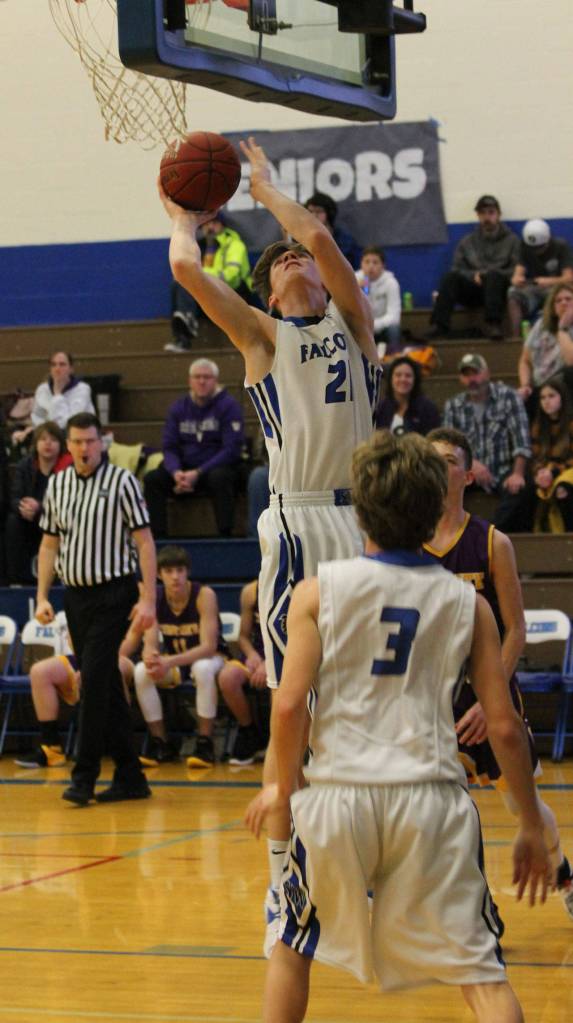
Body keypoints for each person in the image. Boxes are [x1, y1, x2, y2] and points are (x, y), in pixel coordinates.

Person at [159, 134, 382, 955]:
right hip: (295, 528)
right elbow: (186, 269)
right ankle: (285, 873)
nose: (293, 257)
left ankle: (360, 856)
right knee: (297, 705)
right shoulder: (260, 338)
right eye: (279, 258)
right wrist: (182, 213)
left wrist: (264, 187)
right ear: (268, 289)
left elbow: (317, 236)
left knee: (361, 706)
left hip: (362, 529)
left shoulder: (354, 326)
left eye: (300, 256)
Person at [245, 431, 552, 1023]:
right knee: (482, 975)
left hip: (339, 796)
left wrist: (282, 787)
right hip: (432, 799)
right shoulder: (468, 604)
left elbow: (288, 707)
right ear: (435, 506)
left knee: (291, 945)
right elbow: (505, 727)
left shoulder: (317, 593)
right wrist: (532, 822)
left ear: (360, 509)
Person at [425, 426, 573, 920]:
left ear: (467, 476)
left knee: (520, 804)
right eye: (430, 458)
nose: (437, 466)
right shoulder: (404, 541)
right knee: (441, 807)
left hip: (490, 692)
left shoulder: (492, 542)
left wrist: (492, 702)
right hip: (434, 695)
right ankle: (468, 904)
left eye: (448, 460)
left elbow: (516, 630)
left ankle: (562, 872)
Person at [35, 412, 156, 806]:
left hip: (114, 594)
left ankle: (83, 777)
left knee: (91, 680)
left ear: (101, 442)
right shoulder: (58, 484)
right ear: (68, 445)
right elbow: (49, 544)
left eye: (90, 441)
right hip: (75, 596)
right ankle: (131, 776)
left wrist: (148, 599)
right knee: (106, 685)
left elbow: (145, 542)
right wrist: (42, 596)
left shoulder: (122, 481)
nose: (84, 448)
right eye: (77, 441)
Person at [132, 544, 228, 769]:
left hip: (214, 658)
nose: (175, 577)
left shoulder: (204, 595)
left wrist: (168, 661)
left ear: (187, 572)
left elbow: (208, 647)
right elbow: (150, 642)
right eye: (169, 571)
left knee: (202, 668)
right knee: (141, 671)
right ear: (159, 574)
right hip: (177, 660)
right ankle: (161, 743)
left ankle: (204, 744)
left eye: (180, 570)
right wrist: (151, 658)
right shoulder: (154, 598)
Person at [143, 357, 245, 539]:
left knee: (221, 477)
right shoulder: (178, 408)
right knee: (153, 479)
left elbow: (231, 449)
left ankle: (225, 535)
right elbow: (169, 447)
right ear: (189, 381)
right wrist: (176, 472)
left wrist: (199, 472)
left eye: (207, 377)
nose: (202, 381)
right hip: (184, 469)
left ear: (216, 380)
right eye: (197, 377)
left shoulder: (229, 406)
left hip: (215, 468)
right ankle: (158, 538)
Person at [14, 623, 137, 770]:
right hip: (86, 656)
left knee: (113, 668)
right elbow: (73, 637)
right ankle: (52, 748)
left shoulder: (134, 609)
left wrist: (92, 665)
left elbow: (130, 642)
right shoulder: (83, 609)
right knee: (39, 671)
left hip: (119, 656)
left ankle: (124, 746)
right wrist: (87, 663)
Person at [443, 353, 531, 532]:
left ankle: (490, 532)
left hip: (503, 470)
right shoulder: (453, 405)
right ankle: (453, 533)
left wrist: (517, 474)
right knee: (441, 488)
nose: (472, 380)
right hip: (467, 471)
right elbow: (448, 447)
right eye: (466, 375)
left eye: (475, 373)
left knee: (523, 490)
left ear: (487, 373)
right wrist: (472, 464)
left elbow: (522, 439)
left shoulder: (509, 397)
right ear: (461, 379)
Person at [427, 195, 520, 340]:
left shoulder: (512, 240)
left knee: (493, 276)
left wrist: (488, 275)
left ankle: (494, 325)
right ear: (478, 215)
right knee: (450, 278)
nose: (487, 217)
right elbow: (456, 268)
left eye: (491, 212)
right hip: (474, 290)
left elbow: (516, 270)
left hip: (499, 291)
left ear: (499, 214)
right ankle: (440, 325)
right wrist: (472, 276)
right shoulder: (467, 242)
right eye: (482, 213)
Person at [5, 422, 72, 584]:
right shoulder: (25, 465)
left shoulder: (69, 467)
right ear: (35, 444)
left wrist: (39, 507)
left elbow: (69, 502)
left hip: (56, 518)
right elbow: (14, 497)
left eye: (53, 440)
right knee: (13, 521)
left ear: (61, 445)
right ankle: (16, 580)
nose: (48, 443)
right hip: (29, 518)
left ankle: (63, 576)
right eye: (43, 439)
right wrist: (22, 507)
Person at [217, 579, 269, 766]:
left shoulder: (297, 588)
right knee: (227, 677)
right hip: (258, 655)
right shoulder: (251, 591)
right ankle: (249, 732)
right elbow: (243, 637)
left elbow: (298, 637)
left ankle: (282, 737)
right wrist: (252, 655)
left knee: (282, 682)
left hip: (288, 655)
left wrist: (271, 663)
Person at [12, 351, 95, 449]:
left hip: (77, 439)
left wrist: (57, 394)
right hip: (49, 438)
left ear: (71, 369)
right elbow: (38, 417)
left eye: (62, 364)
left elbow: (66, 424)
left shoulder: (82, 389)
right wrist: (32, 430)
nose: (57, 368)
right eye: (53, 365)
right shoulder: (42, 389)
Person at [507, 219, 573, 338]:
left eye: (540, 248)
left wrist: (549, 281)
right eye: (533, 249)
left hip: (556, 288)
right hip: (534, 288)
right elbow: (517, 274)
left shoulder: (561, 246)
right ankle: (515, 338)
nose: (537, 252)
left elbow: (569, 278)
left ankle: (563, 335)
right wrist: (517, 280)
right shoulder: (524, 246)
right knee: (513, 293)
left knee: (564, 297)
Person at [517, 282, 573, 413]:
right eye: (558, 301)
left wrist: (562, 328)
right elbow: (525, 361)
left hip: (565, 386)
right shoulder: (541, 325)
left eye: (568, 299)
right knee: (518, 398)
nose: (563, 303)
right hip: (541, 386)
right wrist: (525, 385)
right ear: (553, 307)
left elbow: (571, 362)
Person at [526, 377, 573, 533]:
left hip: (567, 470)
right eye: (543, 398)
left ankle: (567, 538)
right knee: (528, 489)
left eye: (551, 396)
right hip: (547, 471)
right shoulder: (538, 426)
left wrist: (554, 472)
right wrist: (540, 472)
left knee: (562, 489)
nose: (546, 401)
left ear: (562, 398)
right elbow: (535, 457)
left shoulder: (571, 423)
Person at [375, 354, 440, 436]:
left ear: (415, 380)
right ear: (391, 379)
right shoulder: (382, 408)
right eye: (398, 375)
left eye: (408, 376)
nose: (403, 379)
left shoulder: (428, 409)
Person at [355, 245, 402, 356]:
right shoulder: (353, 280)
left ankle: (392, 358)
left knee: (394, 329)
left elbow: (394, 317)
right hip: (360, 328)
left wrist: (373, 325)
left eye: (375, 262)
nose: (370, 266)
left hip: (382, 328)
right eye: (367, 262)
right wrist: (355, 290)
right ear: (361, 264)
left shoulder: (391, 283)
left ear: (383, 266)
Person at [304, 191, 362, 269]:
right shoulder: (301, 240)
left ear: (329, 213)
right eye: (310, 211)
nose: (314, 215)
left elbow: (358, 269)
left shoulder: (346, 241)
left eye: (318, 211)